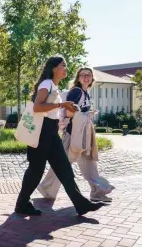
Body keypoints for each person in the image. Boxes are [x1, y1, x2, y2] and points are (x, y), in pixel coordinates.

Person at [14, 55, 106, 216]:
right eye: (63, 65)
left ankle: (81, 204)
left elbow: (50, 111)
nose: (66, 68)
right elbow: (37, 107)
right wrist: (61, 104)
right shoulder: (46, 84)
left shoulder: (53, 85)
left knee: (64, 170)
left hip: (50, 131)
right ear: (54, 68)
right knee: (36, 170)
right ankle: (22, 203)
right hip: (41, 132)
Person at [38, 67, 115, 202]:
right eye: (83, 75)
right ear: (78, 78)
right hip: (72, 134)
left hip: (83, 134)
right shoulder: (76, 92)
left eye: (89, 75)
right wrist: (86, 115)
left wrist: (88, 114)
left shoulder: (86, 93)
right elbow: (69, 113)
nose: (86, 77)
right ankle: (46, 188)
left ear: (92, 79)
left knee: (90, 163)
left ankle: (97, 192)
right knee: (63, 164)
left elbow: (79, 112)